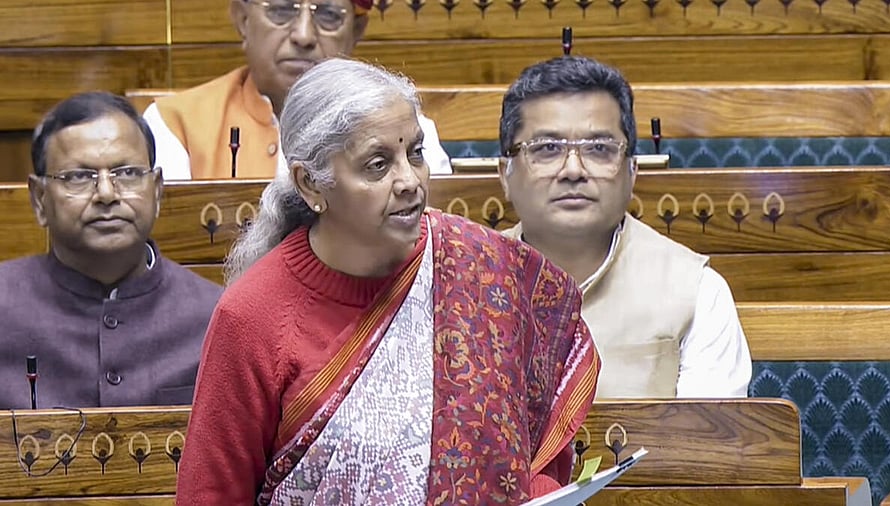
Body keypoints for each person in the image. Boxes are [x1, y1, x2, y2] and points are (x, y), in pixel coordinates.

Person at [176, 59, 599, 505]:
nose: (410, 182)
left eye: (415, 154)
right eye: (377, 165)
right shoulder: (253, 315)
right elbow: (212, 492)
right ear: (310, 184)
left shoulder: (480, 267)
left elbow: (531, 453)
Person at [498, 56, 751, 399]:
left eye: (599, 149)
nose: (573, 170)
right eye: (547, 149)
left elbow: (708, 447)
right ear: (505, 174)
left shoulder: (696, 291)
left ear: (632, 172)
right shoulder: (464, 287)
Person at [0, 92, 222, 409]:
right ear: (39, 199)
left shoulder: (218, 318)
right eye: (79, 177)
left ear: (157, 191)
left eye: (127, 173)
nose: (106, 193)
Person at [143, 0, 452, 180]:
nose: (303, 35)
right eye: (281, 9)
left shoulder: (406, 130)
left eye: (328, 15)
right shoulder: (175, 123)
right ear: (242, 19)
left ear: (356, 32)